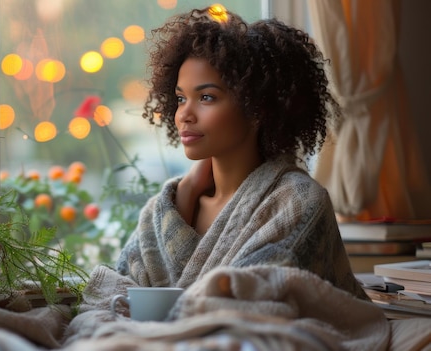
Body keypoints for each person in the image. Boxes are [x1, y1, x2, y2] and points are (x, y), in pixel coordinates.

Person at [78, 4, 365, 302]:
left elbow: (251, 307)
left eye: (206, 97)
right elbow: (113, 290)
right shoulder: (168, 208)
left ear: (257, 109)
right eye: (180, 98)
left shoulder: (298, 202)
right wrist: (186, 194)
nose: (184, 115)